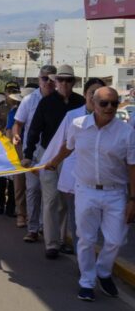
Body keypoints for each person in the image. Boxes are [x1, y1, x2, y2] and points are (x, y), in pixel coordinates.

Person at [44, 87, 134, 302]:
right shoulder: (78, 125)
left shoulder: (127, 132)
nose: (110, 107)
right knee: (86, 239)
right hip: (85, 190)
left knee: (116, 240)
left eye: (114, 102)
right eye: (104, 103)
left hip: (116, 193)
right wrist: (54, 162)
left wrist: (133, 199)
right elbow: (69, 146)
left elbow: (132, 167)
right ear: (93, 104)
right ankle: (86, 281)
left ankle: (103, 272)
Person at [23, 65, 85, 257]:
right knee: (50, 200)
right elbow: (34, 129)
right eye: (61, 80)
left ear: (73, 82)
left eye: (68, 80)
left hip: (71, 156)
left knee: (65, 202)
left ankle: (61, 239)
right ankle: (51, 244)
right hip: (48, 155)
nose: (64, 83)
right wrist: (28, 154)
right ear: (55, 81)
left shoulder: (80, 103)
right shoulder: (46, 103)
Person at [40, 78, 105, 257]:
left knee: (94, 224)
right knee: (78, 222)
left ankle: (87, 260)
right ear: (85, 94)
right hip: (75, 178)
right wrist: (46, 163)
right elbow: (59, 143)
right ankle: (83, 263)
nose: (96, 97)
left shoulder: (109, 119)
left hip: (101, 180)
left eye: (100, 93)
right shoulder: (73, 117)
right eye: (92, 92)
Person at [13, 65, 57, 230]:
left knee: (51, 194)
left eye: (51, 79)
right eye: (44, 78)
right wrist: (17, 134)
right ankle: (32, 228)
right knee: (32, 190)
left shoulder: (60, 100)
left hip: (54, 154)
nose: (47, 82)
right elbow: (18, 123)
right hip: (32, 153)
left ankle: (46, 227)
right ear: (39, 80)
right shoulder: (29, 100)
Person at [0, 83, 20, 218]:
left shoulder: (21, 106)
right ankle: (0, 204)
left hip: (16, 145)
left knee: (14, 179)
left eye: (14, 90)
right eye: (9, 91)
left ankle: (11, 206)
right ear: (5, 92)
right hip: (1, 145)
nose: (12, 93)